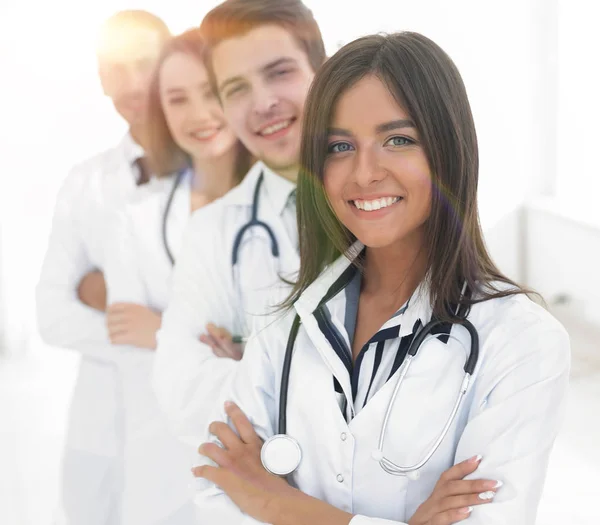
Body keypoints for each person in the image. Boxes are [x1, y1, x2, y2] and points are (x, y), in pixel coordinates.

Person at [192, 32, 571, 525]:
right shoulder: (283, 325)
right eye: (340, 146)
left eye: (398, 140)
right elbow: (214, 500)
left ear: (447, 150)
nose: (364, 173)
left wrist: (275, 503)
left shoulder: (522, 343)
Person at [153, 0, 326, 443]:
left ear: (323, 70)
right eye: (235, 88)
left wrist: (249, 361)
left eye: (279, 72)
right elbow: (184, 394)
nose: (263, 103)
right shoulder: (213, 231)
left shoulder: (391, 197)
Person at [100, 28, 251, 524]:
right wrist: (232, 347)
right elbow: (125, 332)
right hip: (159, 461)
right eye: (177, 99)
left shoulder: (283, 211)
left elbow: (296, 358)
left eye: (212, 91)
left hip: (258, 464)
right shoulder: (135, 217)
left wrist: (163, 331)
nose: (199, 114)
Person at [35, 10, 171, 525]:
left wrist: (106, 294)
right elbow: (51, 313)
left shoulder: (223, 174)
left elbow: (229, 323)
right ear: (98, 77)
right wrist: (155, 330)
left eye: (145, 63)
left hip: (185, 437)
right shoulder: (84, 182)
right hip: (99, 435)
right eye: (116, 67)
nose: (132, 82)